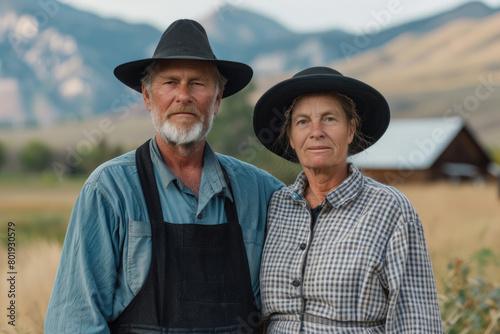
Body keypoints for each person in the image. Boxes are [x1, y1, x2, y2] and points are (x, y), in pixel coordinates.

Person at [45, 19, 284, 333]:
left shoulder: (262, 192)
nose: (183, 95)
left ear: (217, 99)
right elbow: (73, 323)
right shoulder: (109, 191)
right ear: (146, 96)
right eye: (170, 82)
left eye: (197, 83)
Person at [253, 66, 444, 333]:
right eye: (302, 121)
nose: (316, 131)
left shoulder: (390, 209)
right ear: (291, 137)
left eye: (329, 119)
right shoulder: (275, 206)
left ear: (351, 130)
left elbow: (416, 320)